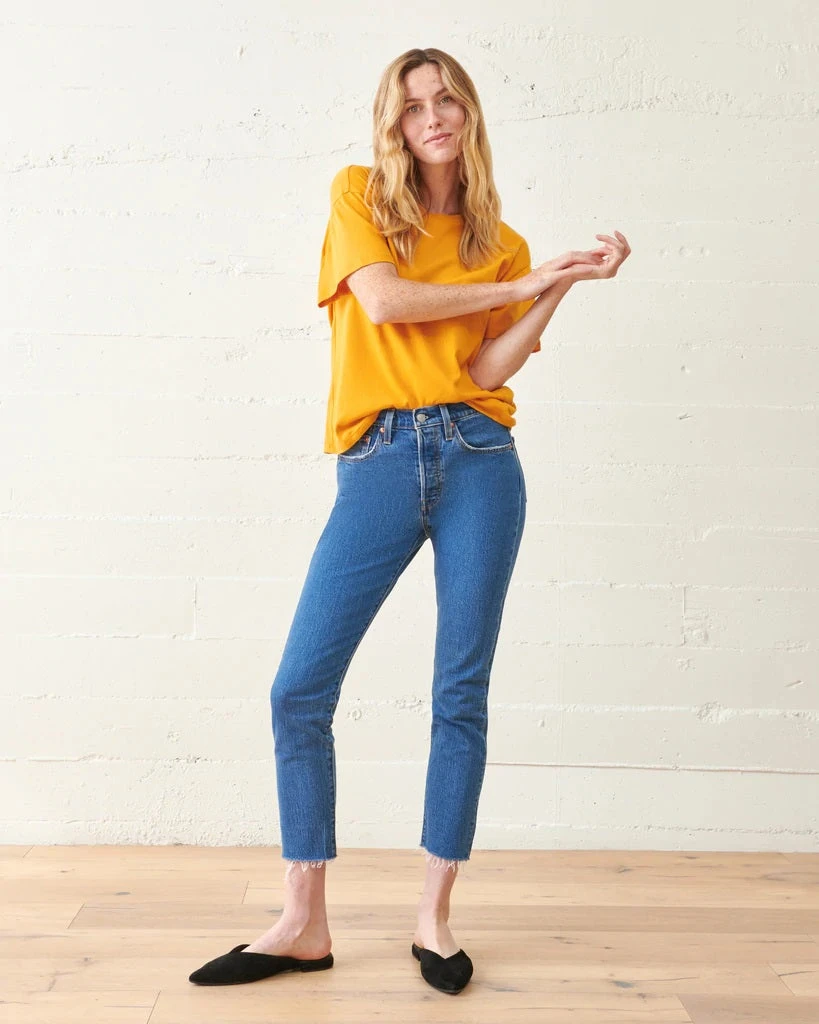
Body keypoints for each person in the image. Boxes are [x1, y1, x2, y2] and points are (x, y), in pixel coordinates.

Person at [189, 46, 630, 995]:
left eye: (446, 100)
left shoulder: (500, 243)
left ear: (467, 115)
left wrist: (556, 284)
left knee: (458, 691)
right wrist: (516, 288)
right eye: (412, 104)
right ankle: (302, 921)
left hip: (479, 461)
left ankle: (434, 917)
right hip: (379, 460)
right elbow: (384, 303)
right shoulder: (360, 197)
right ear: (391, 122)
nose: (431, 116)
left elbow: (486, 370)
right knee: (298, 690)